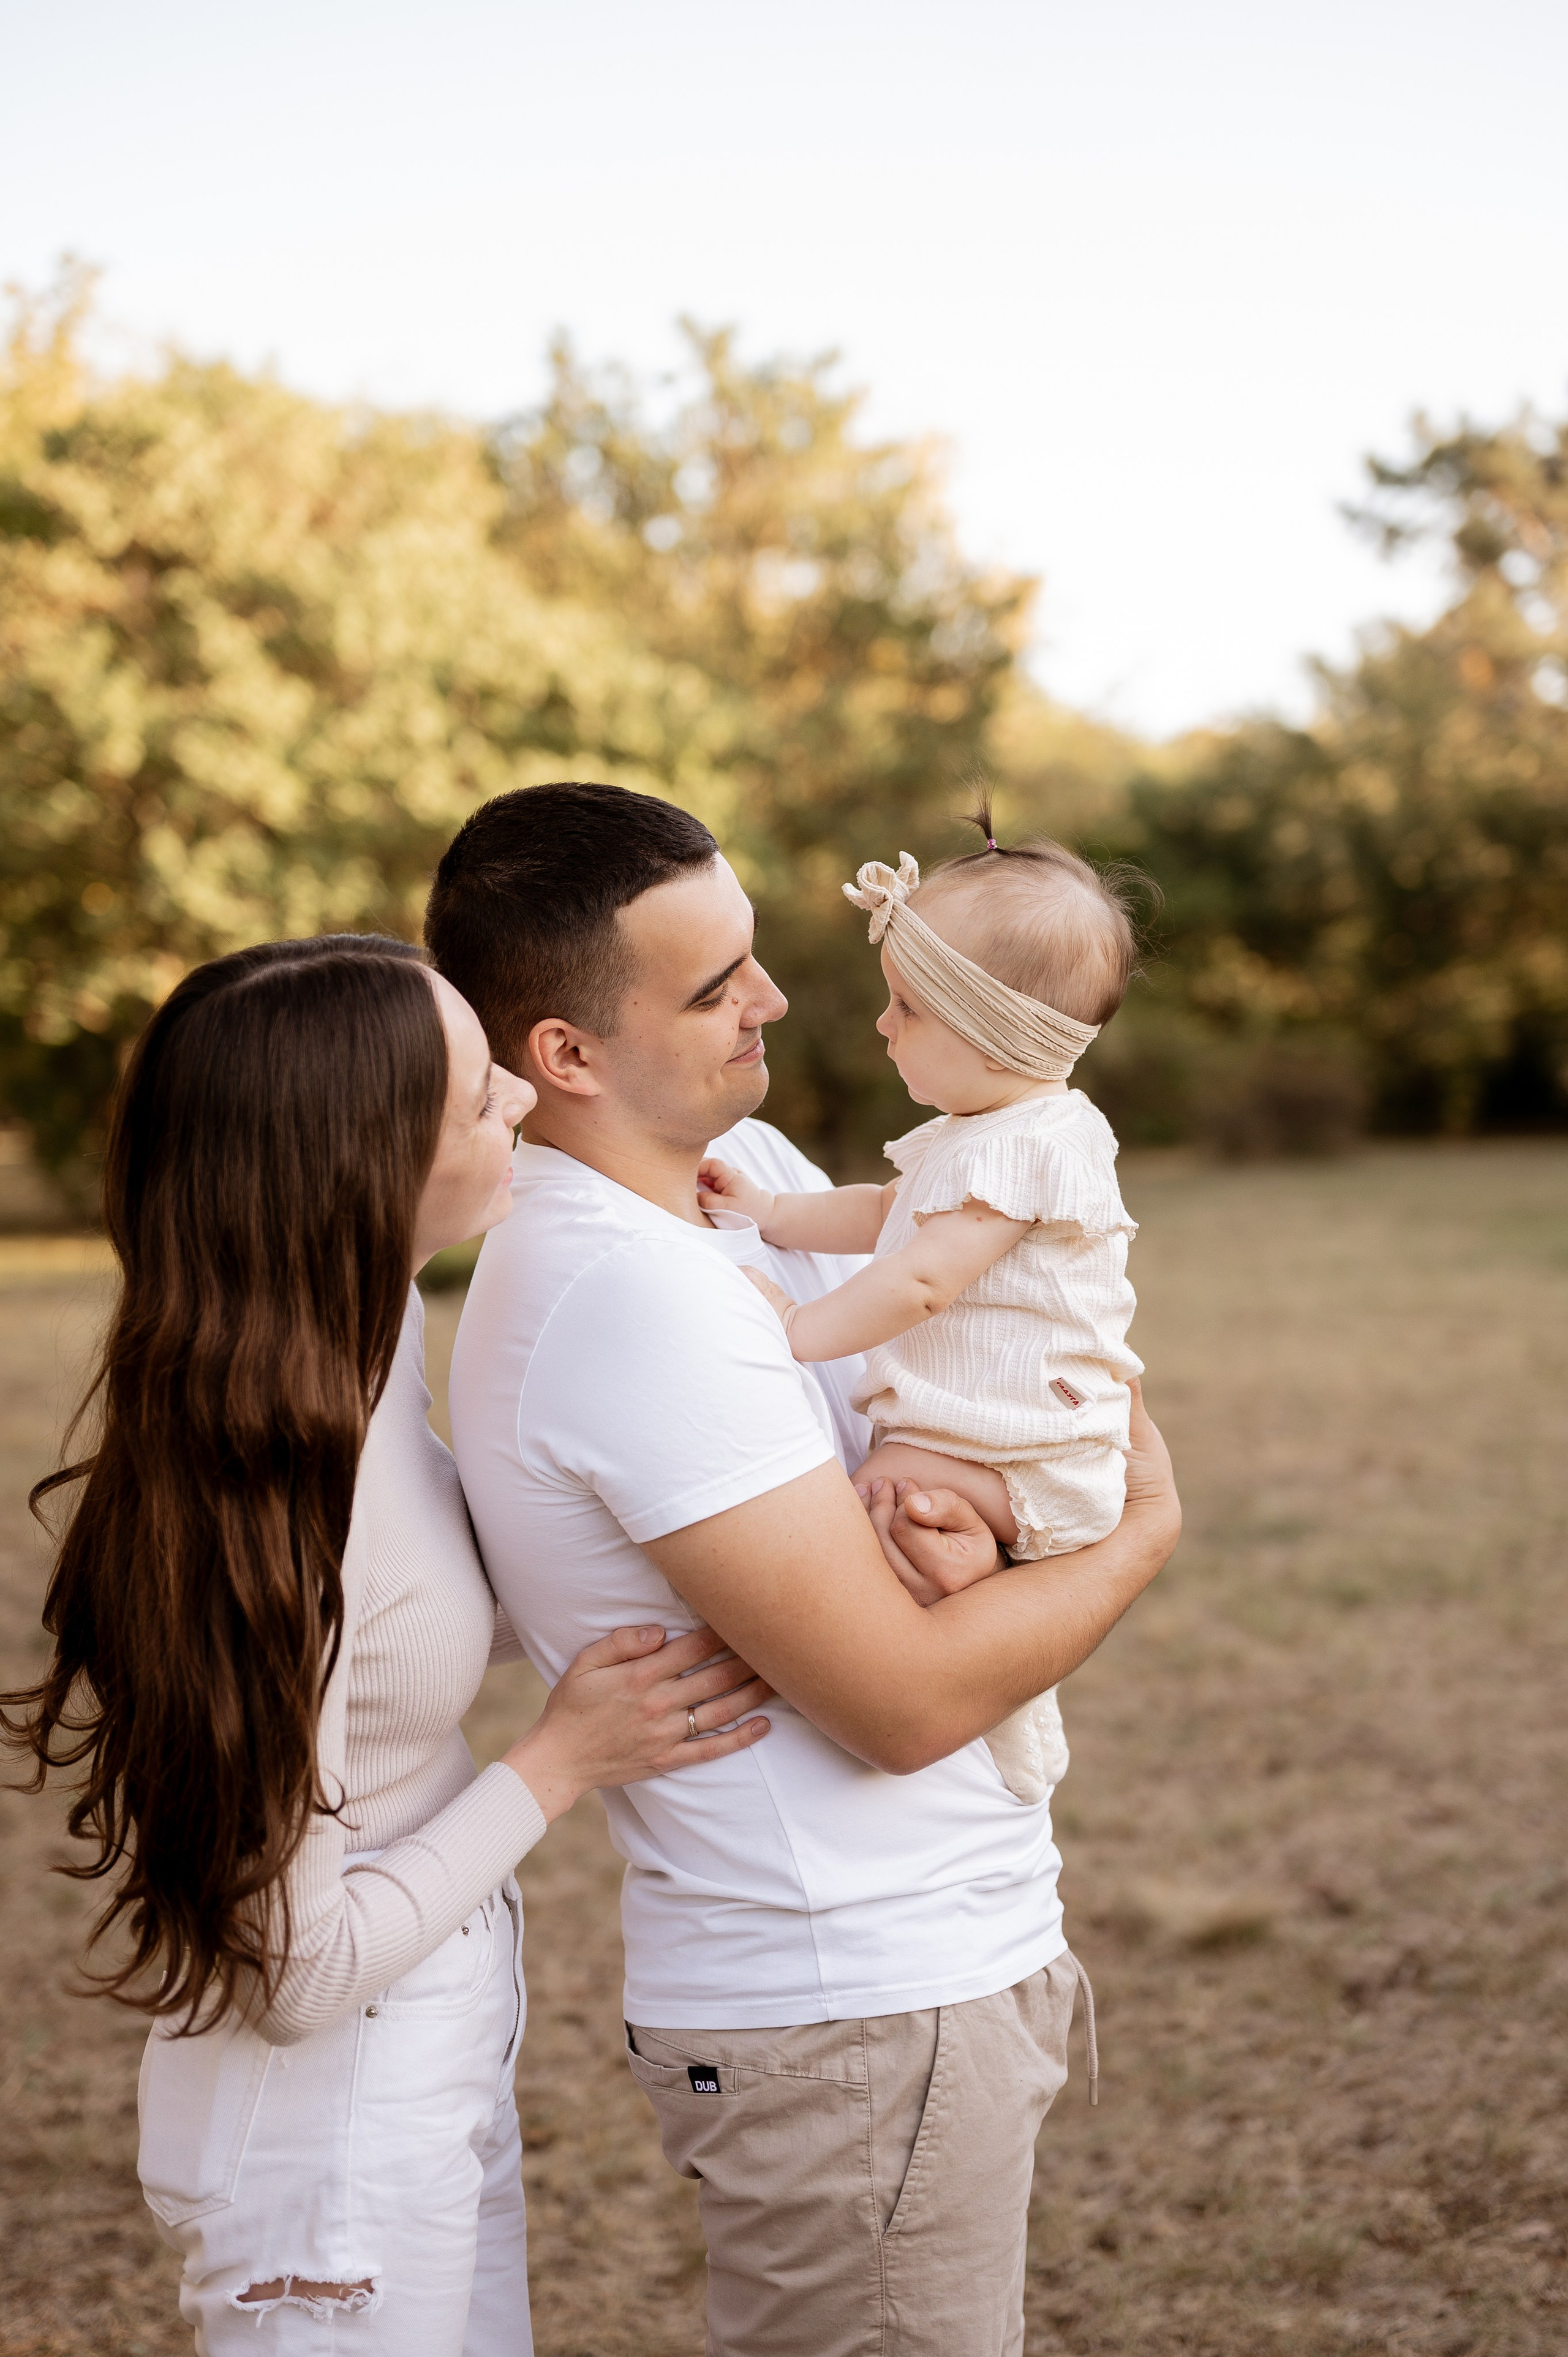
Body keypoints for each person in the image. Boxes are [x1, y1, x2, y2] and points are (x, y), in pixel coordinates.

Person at [428, 783, 1181, 2357]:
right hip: (849, 2005)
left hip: (926, 1973)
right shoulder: (620, 1295)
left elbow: (1002, 1353)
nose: (774, 998)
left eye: (755, 954)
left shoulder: (743, 1170)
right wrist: (1141, 1538)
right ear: (563, 1055)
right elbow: (900, 1701)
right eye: (715, 987)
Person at [1, 933, 771, 2357]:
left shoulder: (368, 1340)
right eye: (481, 1098)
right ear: (364, 1167)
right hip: (321, 2145)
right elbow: (291, 1976)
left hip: (418, 2061)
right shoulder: (272, 1493)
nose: (525, 1106)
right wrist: (554, 1766)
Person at [698, 816, 1143, 1804]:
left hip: (1024, 1451)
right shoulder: (977, 1136)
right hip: (996, 1446)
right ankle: (970, 1607)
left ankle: (969, 1671)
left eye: (906, 1008)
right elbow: (886, 1218)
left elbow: (921, 1280)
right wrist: (769, 1211)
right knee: (897, 1504)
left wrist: (794, 1332)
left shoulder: (1024, 1150)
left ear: (989, 1033)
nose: (882, 1026)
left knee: (874, 1511)